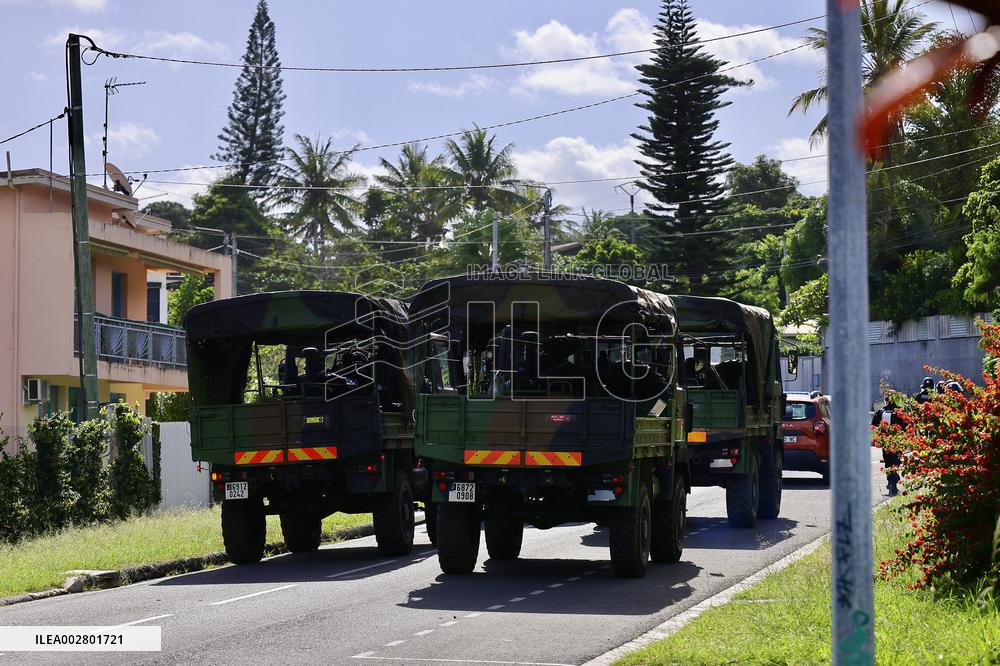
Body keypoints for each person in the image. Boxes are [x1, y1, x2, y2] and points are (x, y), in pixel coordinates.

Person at [871, 394, 905, 496]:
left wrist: (878, 438)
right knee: (896, 462)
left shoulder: (881, 411)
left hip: (886, 442)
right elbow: (906, 426)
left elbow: (873, 426)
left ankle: (890, 482)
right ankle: (893, 483)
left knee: (888, 462)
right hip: (898, 442)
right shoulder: (900, 412)